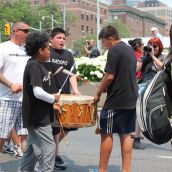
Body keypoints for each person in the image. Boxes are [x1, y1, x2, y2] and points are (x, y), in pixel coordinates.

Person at [94, 25, 138, 172]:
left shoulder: (114, 50)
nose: (103, 45)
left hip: (116, 100)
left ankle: (102, 170)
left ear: (110, 39)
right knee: (126, 134)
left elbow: (110, 76)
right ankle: (126, 170)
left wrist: (98, 92)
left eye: (103, 42)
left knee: (106, 132)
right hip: (131, 98)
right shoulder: (129, 49)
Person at [18, 32, 60, 172]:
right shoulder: (34, 66)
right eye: (48, 49)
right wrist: (53, 98)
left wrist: (51, 103)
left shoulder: (40, 65)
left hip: (40, 115)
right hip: (38, 117)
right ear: (40, 51)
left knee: (31, 150)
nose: (50, 51)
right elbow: (38, 92)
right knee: (48, 149)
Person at [49, 27, 80, 170]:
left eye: (64, 38)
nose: (62, 41)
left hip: (65, 96)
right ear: (52, 39)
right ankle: (56, 155)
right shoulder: (46, 52)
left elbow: (72, 75)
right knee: (54, 128)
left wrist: (76, 91)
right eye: (59, 38)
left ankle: (52, 148)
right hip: (50, 95)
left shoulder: (68, 55)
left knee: (67, 126)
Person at [0, 21, 30, 157]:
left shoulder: (27, 49)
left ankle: (28, 168)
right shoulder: (3, 48)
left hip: (24, 99)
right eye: (25, 31)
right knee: (2, 136)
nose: (28, 33)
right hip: (6, 98)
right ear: (16, 31)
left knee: (24, 135)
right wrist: (11, 85)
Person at [128, 38, 145, 150]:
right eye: (142, 45)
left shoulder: (139, 54)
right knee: (136, 108)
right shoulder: (135, 55)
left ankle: (135, 131)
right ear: (138, 46)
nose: (143, 46)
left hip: (138, 81)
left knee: (136, 108)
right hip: (135, 81)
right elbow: (135, 69)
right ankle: (133, 132)